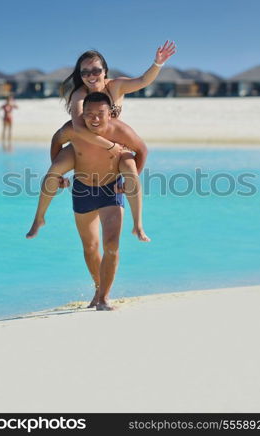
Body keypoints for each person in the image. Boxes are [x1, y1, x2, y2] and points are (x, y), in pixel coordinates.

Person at [28, 40, 176, 236]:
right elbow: (79, 131)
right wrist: (109, 146)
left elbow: (143, 81)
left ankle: (138, 225)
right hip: (86, 144)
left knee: (131, 169)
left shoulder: (116, 87)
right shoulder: (79, 96)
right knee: (54, 170)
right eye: (85, 73)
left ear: (105, 70)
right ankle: (39, 218)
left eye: (96, 70)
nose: (90, 76)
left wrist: (158, 63)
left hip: (114, 143)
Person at [28, 92, 150, 310]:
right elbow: (56, 141)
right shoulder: (72, 130)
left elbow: (142, 149)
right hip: (83, 190)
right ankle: (40, 218)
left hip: (110, 190)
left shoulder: (120, 131)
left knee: (111, 245)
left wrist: (130, 178)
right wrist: (60, 177)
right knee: (91, 248)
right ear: (82, 114)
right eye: (89, 114)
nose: (94, 119)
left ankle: (104, 298)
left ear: (110, 113)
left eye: (100, 114)